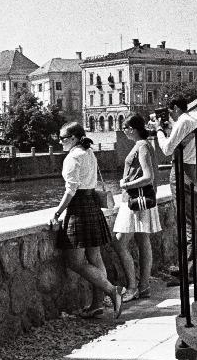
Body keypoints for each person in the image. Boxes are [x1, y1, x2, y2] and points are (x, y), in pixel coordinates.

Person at [49, 122, 123, 319]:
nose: (60, 141)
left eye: (63, 138)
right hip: (91, 205)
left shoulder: (73, 157)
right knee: (95, 257)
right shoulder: (89, 152)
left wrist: (57, 213)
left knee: (75, 261)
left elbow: (70, 190)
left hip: (79, 209)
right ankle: (97, 305)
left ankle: (111, 290)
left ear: (73, 138)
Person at [112, 114, 162, 303]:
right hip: (142, 200)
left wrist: (126, 185)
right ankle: (144, 287)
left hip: (134, 200)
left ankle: (133, 287)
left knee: (119, 242)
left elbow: (148, 176)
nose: (124, 131)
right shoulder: (144, 145)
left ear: (132, 128)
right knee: (143, 240)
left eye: (125, 127)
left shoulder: (141, 146)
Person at [152, 97, 197, 280]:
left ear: (174, 108)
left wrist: (159, 130)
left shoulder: (183, 122)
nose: (169, 115)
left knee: (186, 222)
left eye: (169, 111)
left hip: (182, 170)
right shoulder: (195, 120)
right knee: (190, 221)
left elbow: (166, 149)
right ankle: (189, 266)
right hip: (193, 169)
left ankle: (189, 271)